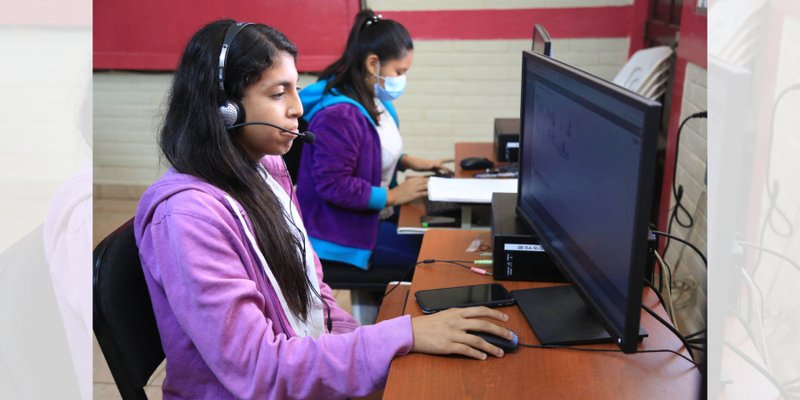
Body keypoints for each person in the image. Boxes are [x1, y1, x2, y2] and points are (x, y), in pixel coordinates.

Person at [133, 19, 513, 399]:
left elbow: (316, 294)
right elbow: (257, 370)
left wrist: (370, 344)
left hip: (297, 371)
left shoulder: (266, 170)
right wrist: (398, 337)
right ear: (225, 109)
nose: (298, 108)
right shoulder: (189, 220)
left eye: (295, 89)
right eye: (278, 93)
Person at [296, 10, 449, 271]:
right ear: (372, 64)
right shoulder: (339, 116)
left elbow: (369, 150)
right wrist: (391, 196)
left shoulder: (375, 100)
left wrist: (409, 161)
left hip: (368, 217)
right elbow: (333, 185)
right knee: (434, 261)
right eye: (399, 71)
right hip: (339, 233)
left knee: (440, 235)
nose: (402, 79)